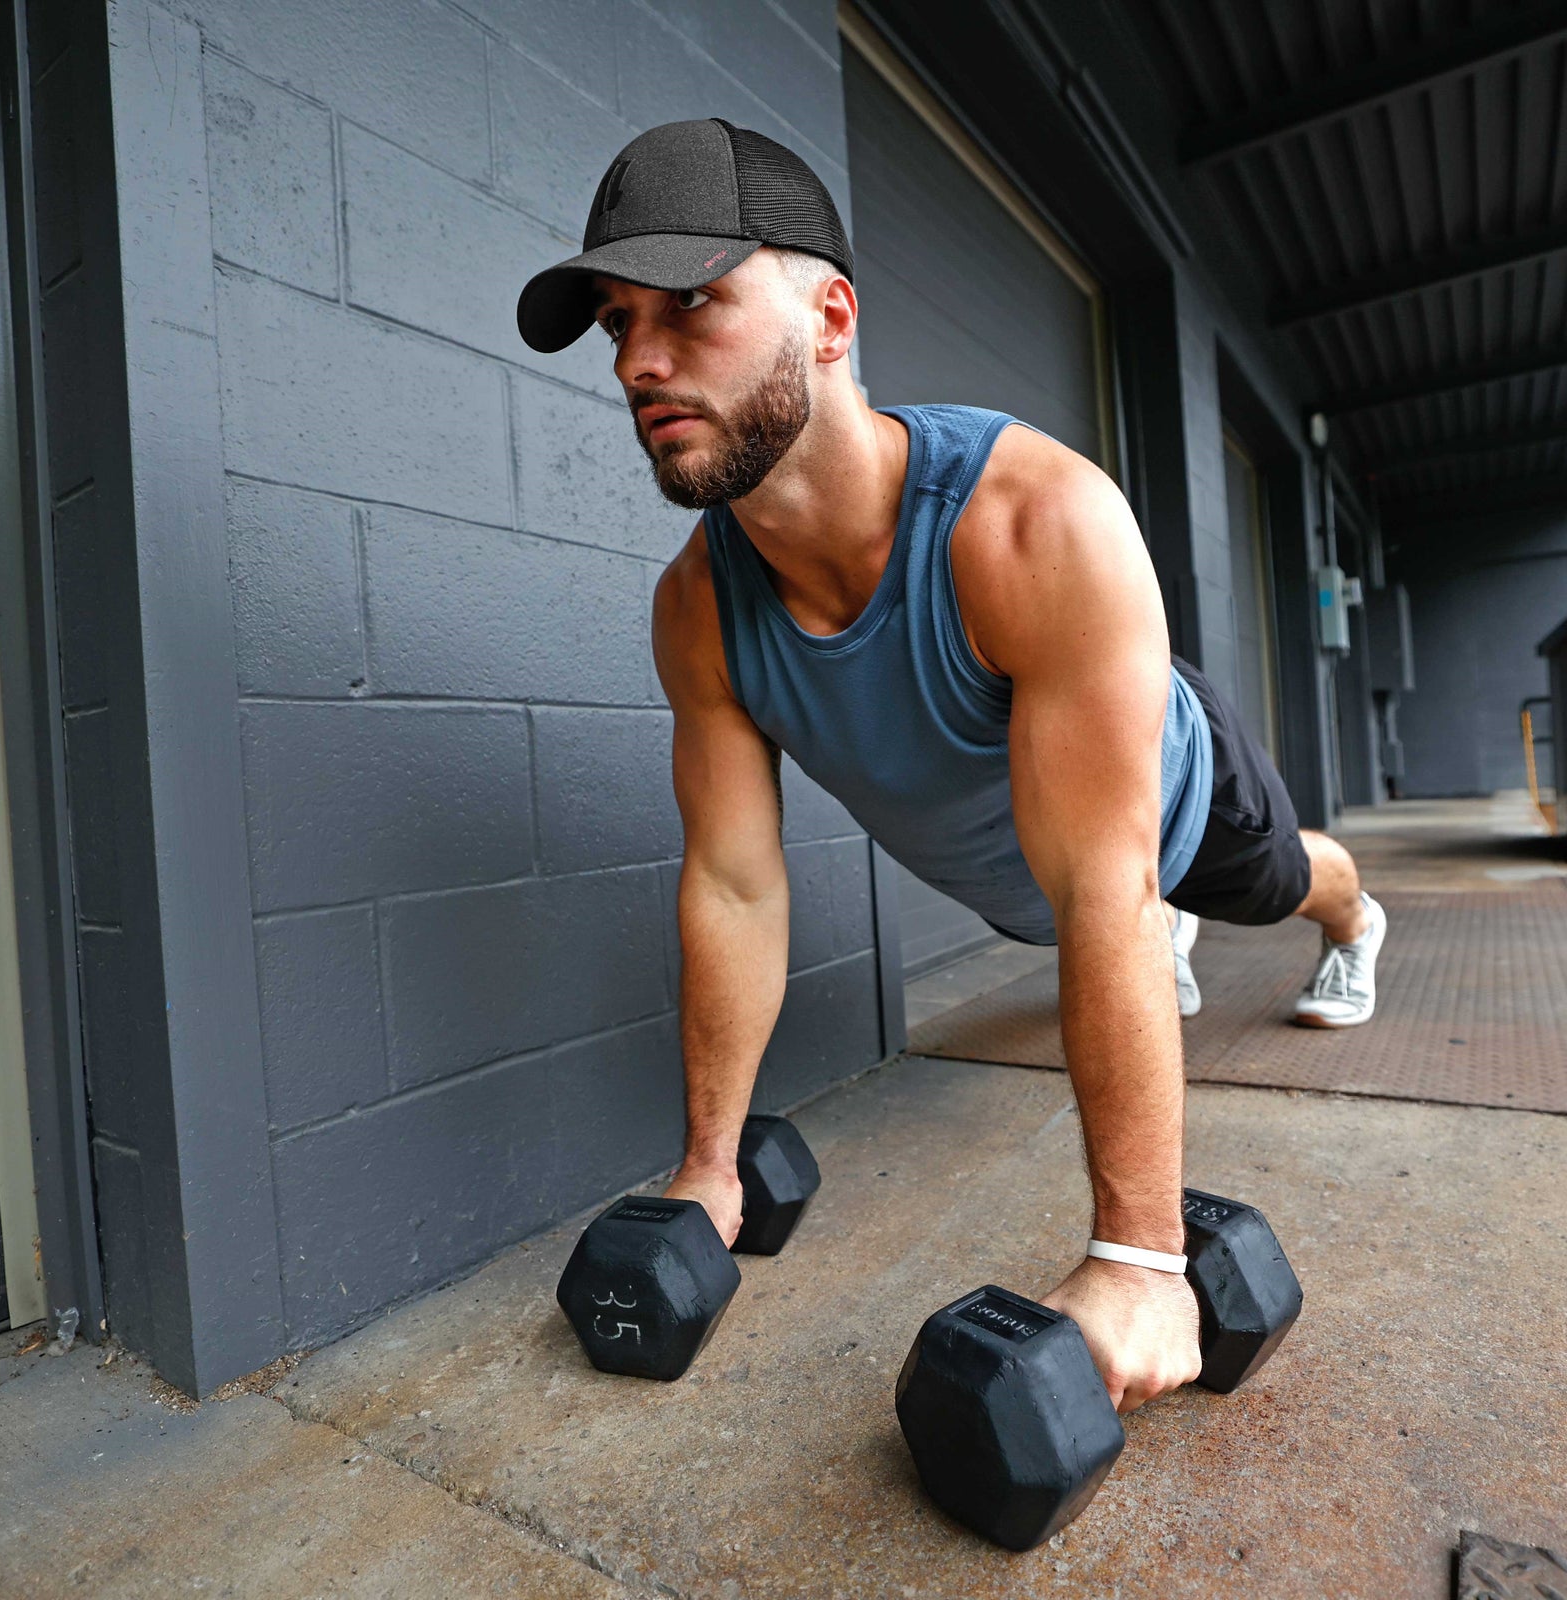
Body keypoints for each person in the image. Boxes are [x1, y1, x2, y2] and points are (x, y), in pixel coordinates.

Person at [516, 120, 1386, 1414]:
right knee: (1082, 910)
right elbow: (737, 886)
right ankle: (1169, 930)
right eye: (616, 322)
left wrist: (1143, 1259)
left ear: (830, 318)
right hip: (1035, 875)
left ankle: (1357, 922)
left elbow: (1103, 887)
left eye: (690, 304)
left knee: (1270, 884)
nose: (639, 360)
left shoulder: (1033, 521)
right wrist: (709, 1166)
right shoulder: (697, 607)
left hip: (1171, 804)